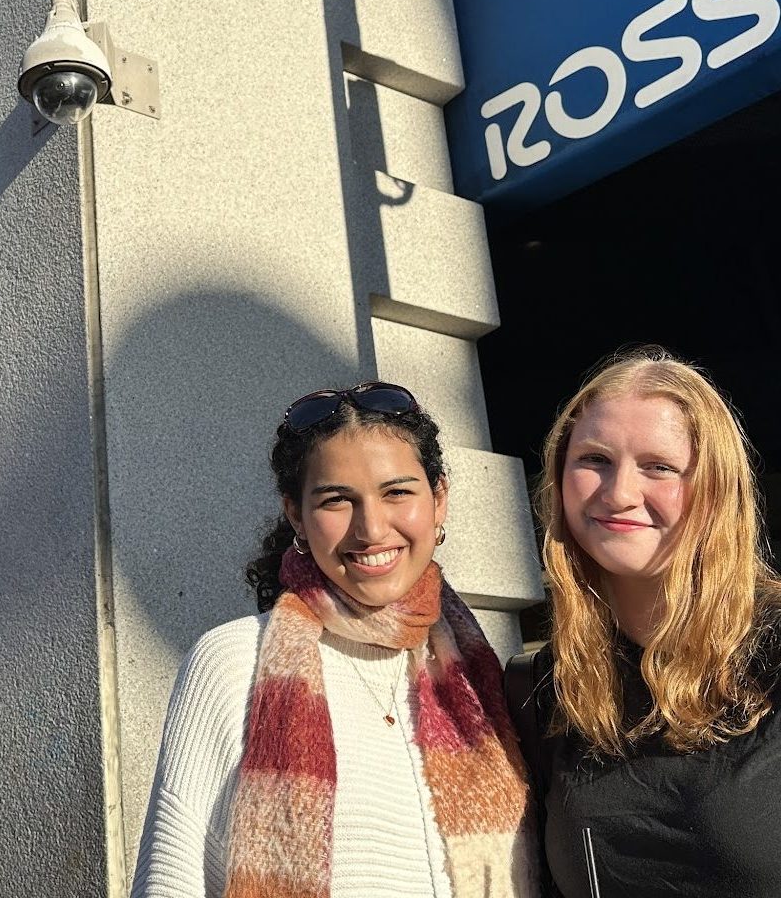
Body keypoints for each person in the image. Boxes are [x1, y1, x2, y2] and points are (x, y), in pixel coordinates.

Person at [131, 382, 537, 898]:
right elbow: (170, 879)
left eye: (397, 492)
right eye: (337, 500)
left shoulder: (480, 682)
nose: (370, 528)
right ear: (297, 515)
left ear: (438, 500)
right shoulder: (233, 663)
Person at [513, 347, 781, 897]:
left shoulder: (774, 649)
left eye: (659, 467)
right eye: (594, 460)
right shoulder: (540, 688)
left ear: (714, 489)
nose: (619, 494)